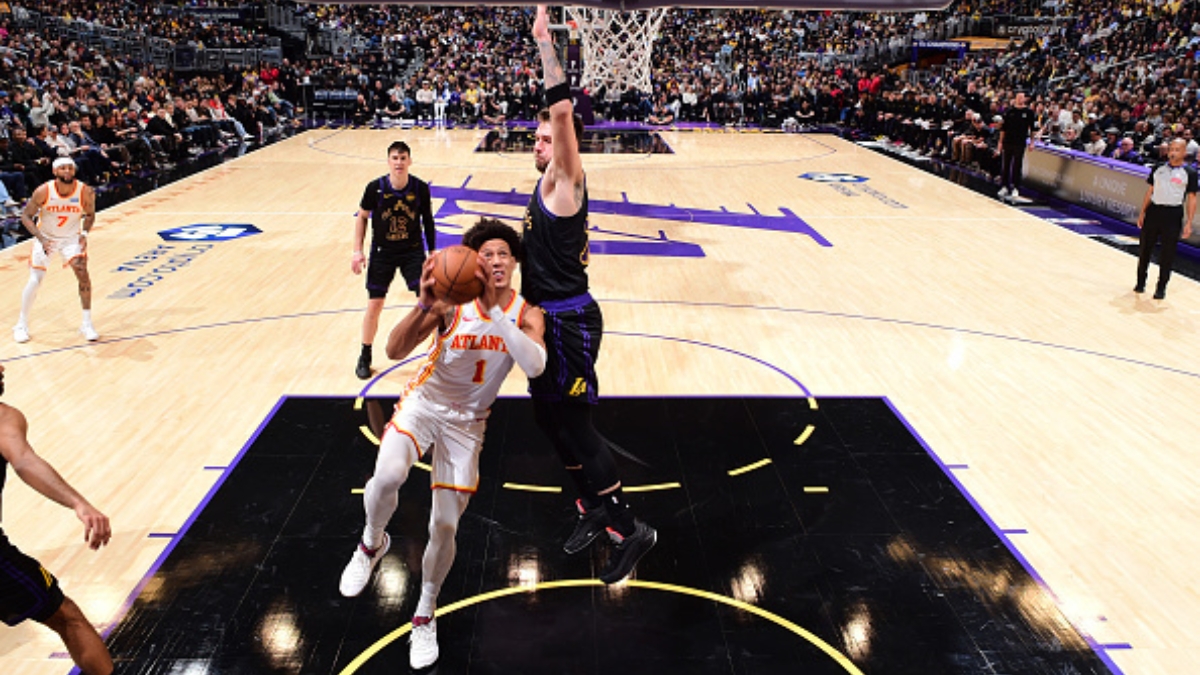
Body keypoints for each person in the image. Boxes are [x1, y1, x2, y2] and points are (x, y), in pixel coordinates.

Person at [339, 218, 546, 670]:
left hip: (468, 424)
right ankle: (372, 544)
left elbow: (534, 366)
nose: (494, 260)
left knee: (445, 527)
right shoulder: (451, 304)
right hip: (424, 404)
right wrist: (422, 306)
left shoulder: (528, 313)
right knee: (387, 476)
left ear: (513, 264)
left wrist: (496, 316)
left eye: (503, 254)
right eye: (486, 253)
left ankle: (424, 612)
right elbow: (393, 351)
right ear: (473, 261)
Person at [524, 5, 656, 585]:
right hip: (543, 320)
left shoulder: (565, 182)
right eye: (534, 138)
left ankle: (631, 527)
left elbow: (560, 109)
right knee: (552, 426)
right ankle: (592, 508)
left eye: (546, 138)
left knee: (576, 427)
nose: (538, 143)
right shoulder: (542, 186)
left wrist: (545, 43)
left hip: (570, 320)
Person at [0, 364, 114, 674]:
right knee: (67, 617)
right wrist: (79, 503)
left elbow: (24, 460)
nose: (1, 368)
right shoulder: (2, 418)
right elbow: (23, 459)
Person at [352, 141, 437, 380]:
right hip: (383, 252)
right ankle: (365, 354)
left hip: (412, 251)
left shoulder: (419, 188)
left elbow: (428, 221)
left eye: (403, 158)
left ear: (409, 161)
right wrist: (357, 251)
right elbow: (362, 217)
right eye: (395, 158)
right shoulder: (375, 188)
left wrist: (432, 252)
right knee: (374, 305)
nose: (399, 162)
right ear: (388, 161)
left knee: (429, 301)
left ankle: (440, 350)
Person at [14, 157, 98, 343]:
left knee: (82, 272)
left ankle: (87, 323)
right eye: (63, 168)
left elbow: (90, 215)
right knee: (36, 280)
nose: (67, 171)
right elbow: (26, 216)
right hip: (46, 238)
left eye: (70, 168)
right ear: (55, 172)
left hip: (70, 239)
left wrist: (84, 233)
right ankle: (21, 324)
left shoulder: (85, 191)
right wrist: (41, 238)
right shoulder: (44, 190)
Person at [1135, 137, 1197, 300]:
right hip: (1154, 212)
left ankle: (1161, 288)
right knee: (1145, 249)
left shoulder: (1189, 173)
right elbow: (1150, 191)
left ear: (1184, 152)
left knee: (1167, 254)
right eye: (1171, 149)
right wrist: (1142, 212)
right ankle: (1140, 283)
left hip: (1173, 214)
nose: (1173, 152)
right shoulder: (1158, 168)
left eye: (1177, 150)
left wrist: (1189, 222)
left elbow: (1192, 198)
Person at [998, 91, 1035, 203]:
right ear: (1015, 98)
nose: (1020, 99)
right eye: (1018, 97)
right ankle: (1004, 186)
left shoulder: (1028, 112)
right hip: (1008, 141)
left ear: (1024, 99)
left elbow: (1032, 129)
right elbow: (1003, 129)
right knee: (1006, 164)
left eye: (1022, 97)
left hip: (1020, 142)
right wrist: (1000, 142)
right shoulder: (1009, 111)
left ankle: (1015, 187)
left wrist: (1032, 142)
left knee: (1017, 165)